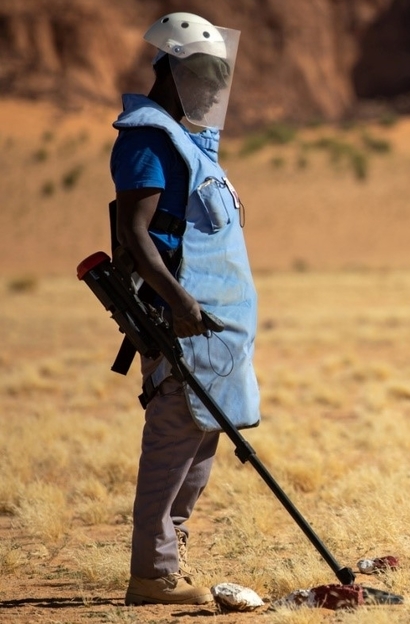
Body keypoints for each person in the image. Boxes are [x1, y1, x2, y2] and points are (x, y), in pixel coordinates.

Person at [110, 12, 258, 606]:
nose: (214, 87)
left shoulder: (190, 142)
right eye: (203, 73)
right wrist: (181, 303)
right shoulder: (147, 138)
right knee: (173, 439)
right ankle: (151, 576)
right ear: (171, 69)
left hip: (210, 329)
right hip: (178, 321)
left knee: (199, 442)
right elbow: (135, 233)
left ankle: (169, 560)